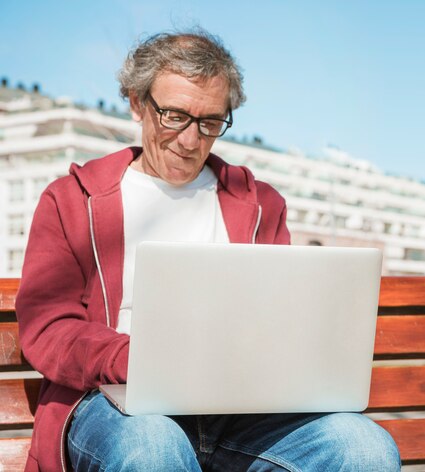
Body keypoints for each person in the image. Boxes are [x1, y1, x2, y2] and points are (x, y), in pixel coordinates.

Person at [16, 29, 401, 471]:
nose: (190, 140)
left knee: (364, 449)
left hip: (241, 416)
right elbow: (48, 325)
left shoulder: (259, 205)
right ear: (138, 103)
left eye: (210, 122)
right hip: (117, 405)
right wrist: (134, 359)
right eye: (174, 116)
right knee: (152, 445)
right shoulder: (73, 199)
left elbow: (281, 321)